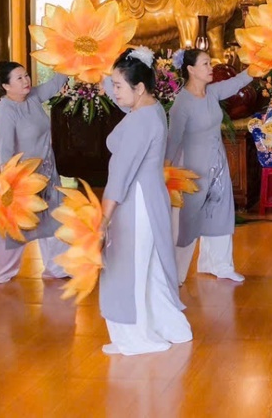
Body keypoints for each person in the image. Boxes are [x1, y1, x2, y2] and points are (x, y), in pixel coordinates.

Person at [99, 48, 191, 355]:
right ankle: (168, 327)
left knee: (128, 269)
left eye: (118, 86)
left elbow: (120, 176)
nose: (113, 91)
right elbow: (122, 99)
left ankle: (135, 338)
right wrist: (102, 75)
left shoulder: (139, 121)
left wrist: (103, 220)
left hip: (135, 201)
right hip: (149, 196)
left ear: (139, 88)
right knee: (149, 269)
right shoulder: (152, 108)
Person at [0, 62, 70, 284]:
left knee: (54, 217)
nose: (26, 81)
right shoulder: (5, 112)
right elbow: (5, 153)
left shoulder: (33, 96)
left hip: (47, 171)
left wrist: (71, 55)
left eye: (26, 75)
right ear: (6, 86)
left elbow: (57, 81)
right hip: (23, 179)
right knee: (16, 228)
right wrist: (11, 185)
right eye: (19, 78)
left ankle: (58, 266)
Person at [165, 49, 253, 284]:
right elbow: (173, 140)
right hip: (192, 169)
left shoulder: (212, 92)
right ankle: (175, 273)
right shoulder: (182, 103)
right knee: (187, 220)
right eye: (205, 64)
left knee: (221, 213)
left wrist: (259, 65)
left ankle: (219, 265)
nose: (210, 67)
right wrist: (166, 172)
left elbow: (237, 82)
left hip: (218, 163)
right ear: (191, 70)